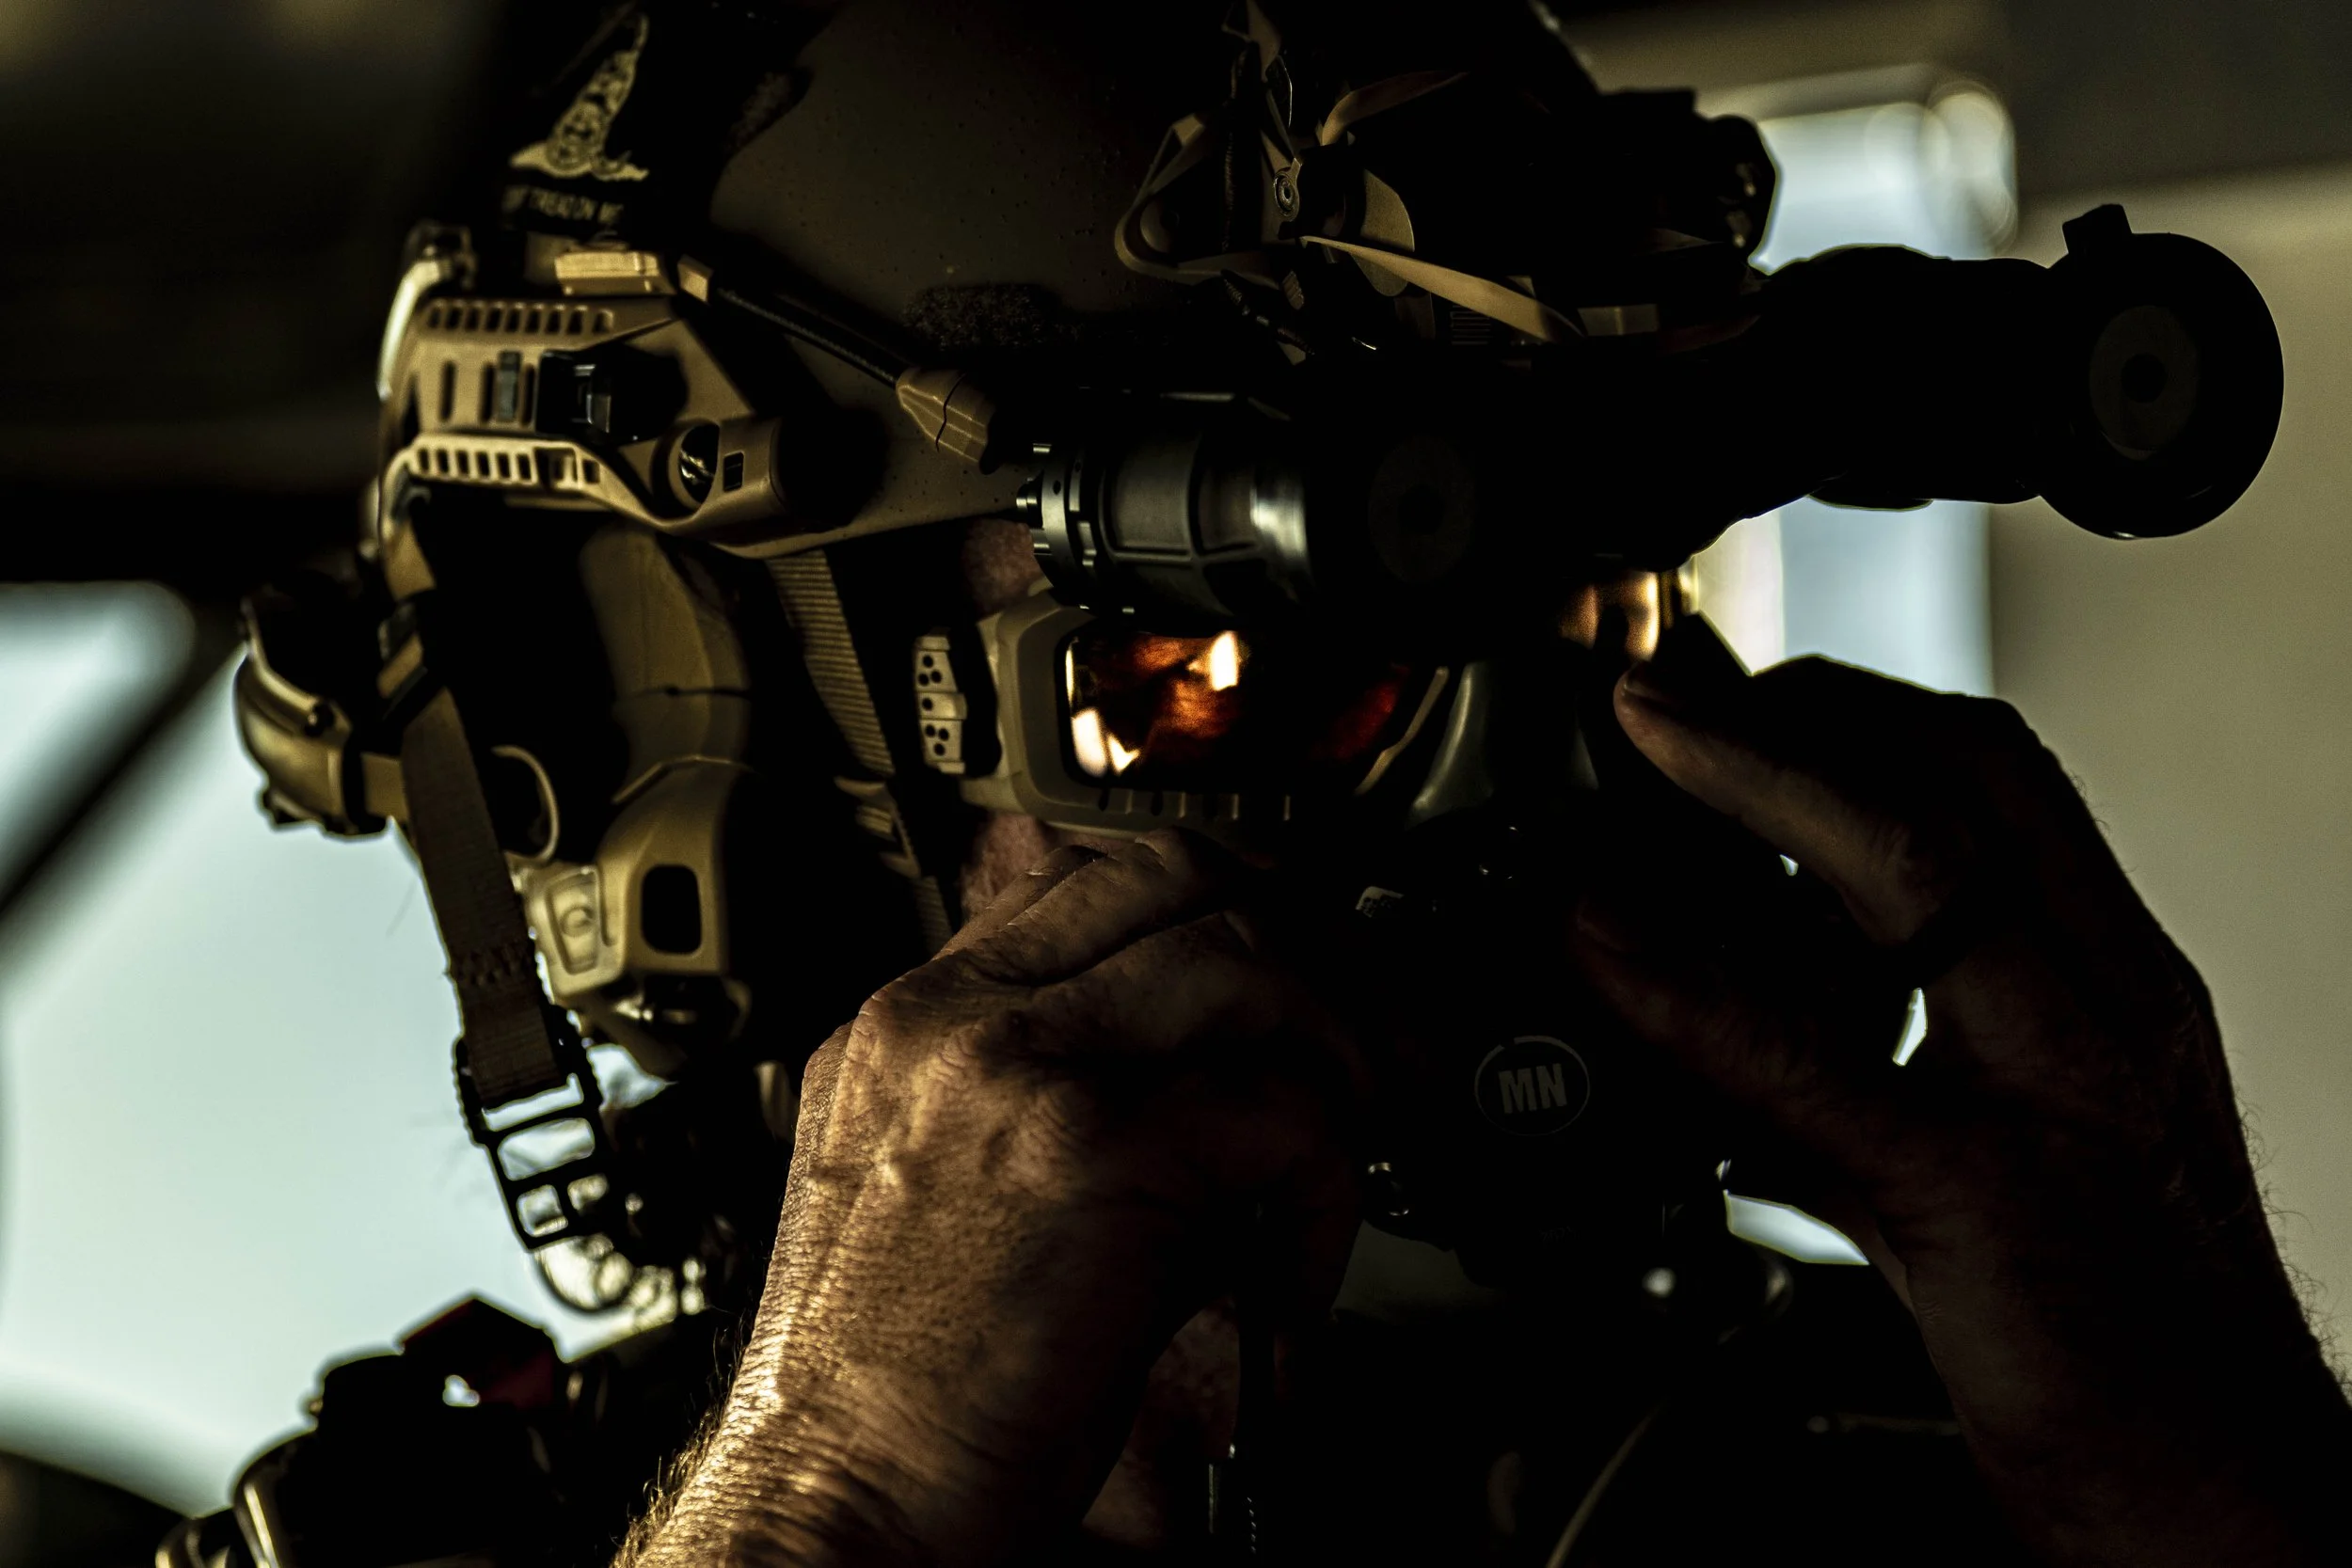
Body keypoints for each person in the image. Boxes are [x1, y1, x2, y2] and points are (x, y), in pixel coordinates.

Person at [620, 653, 2352, 1567]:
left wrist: (2225, 1506)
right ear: (810, 851)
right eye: (1214, 681)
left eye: (1579, 623)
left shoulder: (1941, 1442)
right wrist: (832, 1507)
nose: (1479, 801)